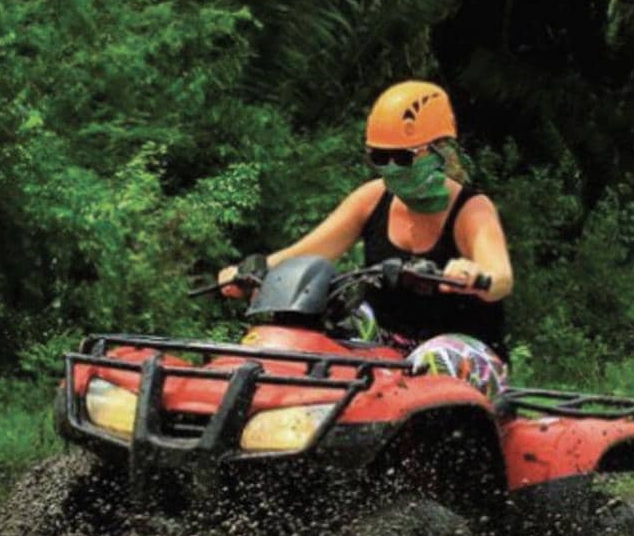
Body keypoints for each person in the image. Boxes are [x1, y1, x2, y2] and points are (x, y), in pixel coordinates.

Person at [217, 81, 514, 397]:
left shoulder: (471, 210)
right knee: (323, 323)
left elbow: (501, 277)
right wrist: (250, 272)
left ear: (439, 151)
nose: (389, 167)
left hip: (463, 355)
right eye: (379, 156)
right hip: (384, 350)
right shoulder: (372, 199)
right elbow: (306, 252)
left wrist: (475, 277)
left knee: (433, 358)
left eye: (401, 157)